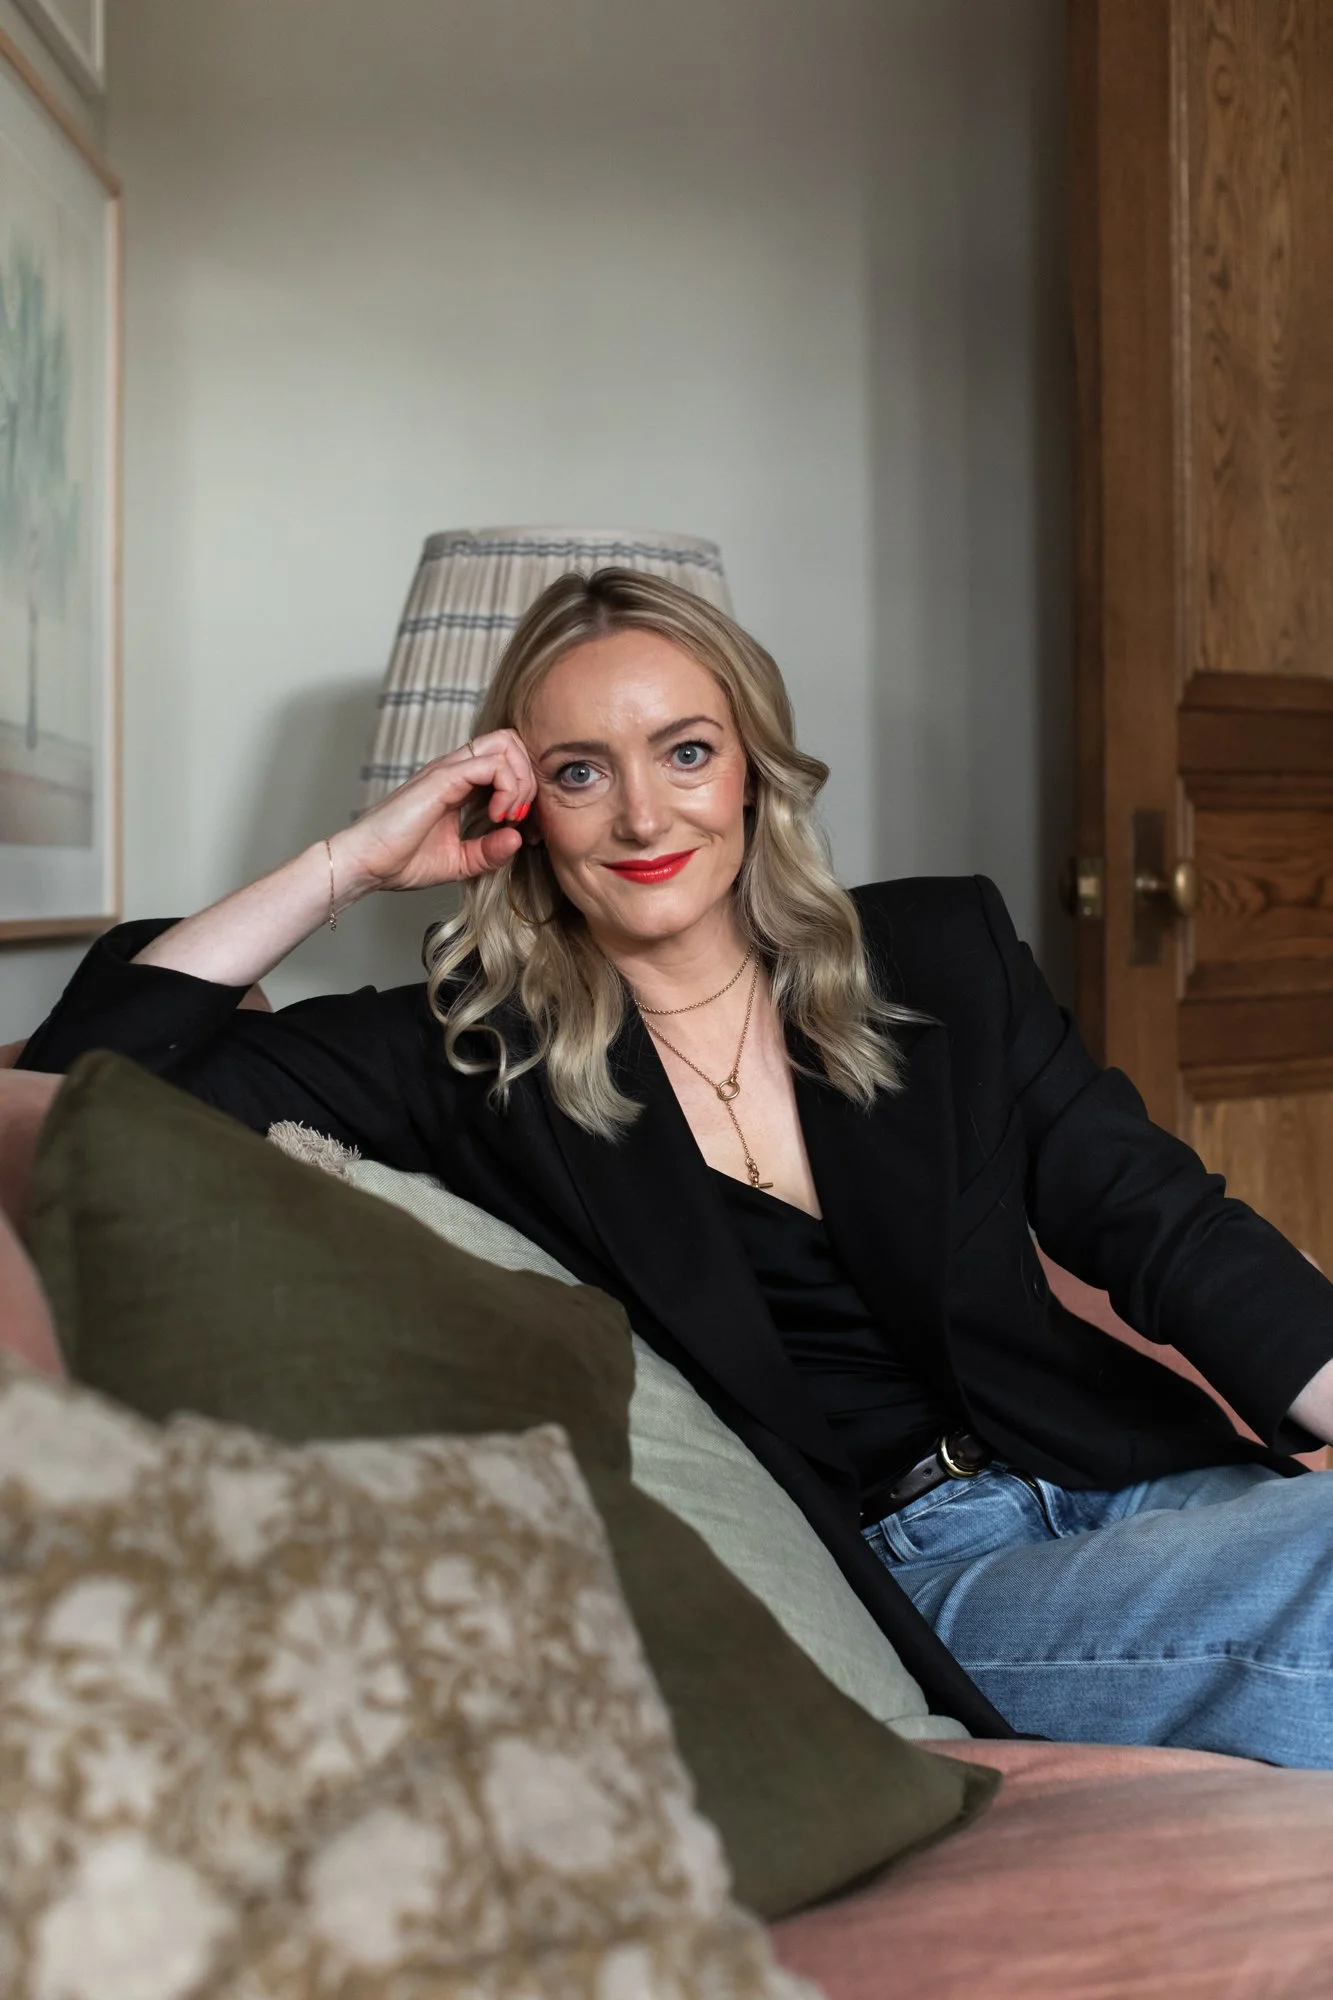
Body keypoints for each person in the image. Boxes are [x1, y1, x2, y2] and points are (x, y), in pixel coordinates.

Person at [17, 568, 1333, 1758]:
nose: (643, 813)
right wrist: (353, 862)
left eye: (686, 752)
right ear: (524, 806)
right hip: (920, 1578)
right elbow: (76, 1087)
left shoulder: (942, 952)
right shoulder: (467, 1058)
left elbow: (1163, 1225)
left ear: (751, 769)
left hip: (1132, 1476)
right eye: (580, 772)